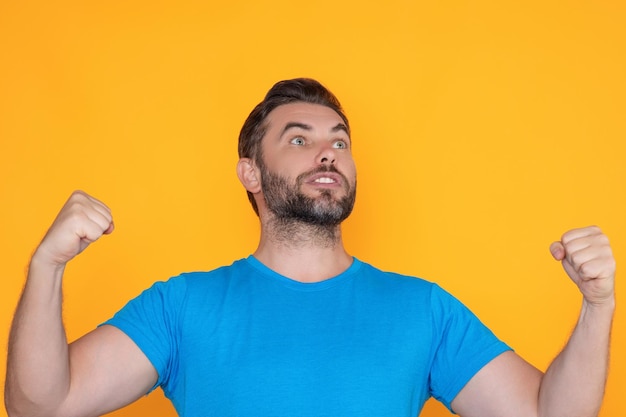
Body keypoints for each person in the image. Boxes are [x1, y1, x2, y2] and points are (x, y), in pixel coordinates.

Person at [5, 78, 616, 417]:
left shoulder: (422, 309)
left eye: (339, 141)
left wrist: (597, 307)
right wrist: (46, 267)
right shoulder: (182, 306)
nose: (328, 152)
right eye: (298, 139)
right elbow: (40, 406)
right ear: (250, 174)